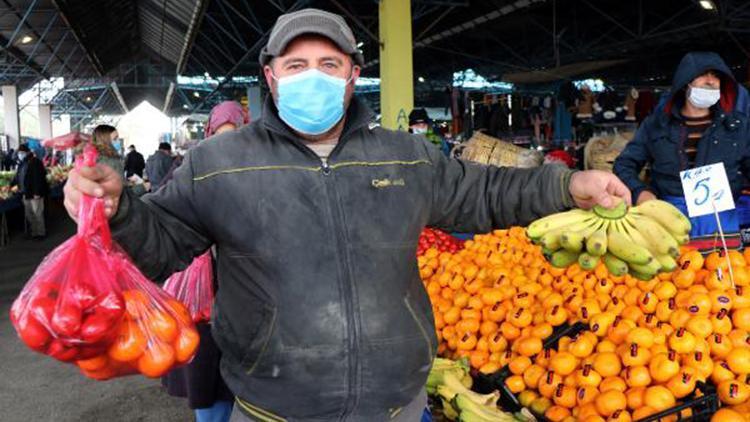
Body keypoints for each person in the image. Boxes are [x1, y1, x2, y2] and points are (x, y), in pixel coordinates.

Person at [63, 8, 629, 421]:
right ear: (271, 76)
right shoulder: (218, 163)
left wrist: (568, 184)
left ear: (353, 75)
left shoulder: (404, 154)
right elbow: (159, 241)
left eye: (329, 63)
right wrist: (117, 212)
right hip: (272, 406)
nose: (313, 75)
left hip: (397, 405)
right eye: (297, 63)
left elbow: (484, 194)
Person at [161, 100, 248, 422]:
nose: (226, 142)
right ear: (209, 133)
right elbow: (165, 221)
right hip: (202, 305)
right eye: (220, 133)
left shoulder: (259, 171)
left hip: (247, 301)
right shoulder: (190, 169)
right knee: (208, 384)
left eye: (235, 132)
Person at [614, 51, 750, 250]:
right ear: (686, 81)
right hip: (668, 221)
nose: (711, 81)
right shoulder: (656, 125)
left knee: (724, 279)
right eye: (703, 74)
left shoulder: (738, 125)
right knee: (673, 279)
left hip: (722, 223)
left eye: (716, 76)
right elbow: (624, 164)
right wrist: (640, 192)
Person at [12, 144, 48, 239]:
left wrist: (37, 192)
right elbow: (18, 176)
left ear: (27, 152)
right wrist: (12, 185)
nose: (20, 154)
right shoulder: (22, 163)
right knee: (29, 214)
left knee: (38, 213)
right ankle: (34, 232)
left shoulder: (35, 162)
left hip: (34, 193)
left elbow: (38, 178)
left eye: (21, 153)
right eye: (19, 153)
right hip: (25, 192)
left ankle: (40, 233)